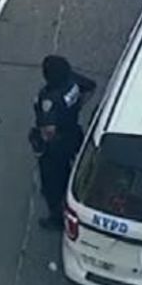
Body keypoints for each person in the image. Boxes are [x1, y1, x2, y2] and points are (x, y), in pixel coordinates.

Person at [29, 55, 96, 229]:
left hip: (56, 147)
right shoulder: (71, 82)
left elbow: (49, 129)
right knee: (74, 169)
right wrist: (75, 108)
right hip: (73, 133)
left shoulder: (49, 98)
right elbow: (90, 88)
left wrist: (41, 143)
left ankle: (57, 218)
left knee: (52, 184)